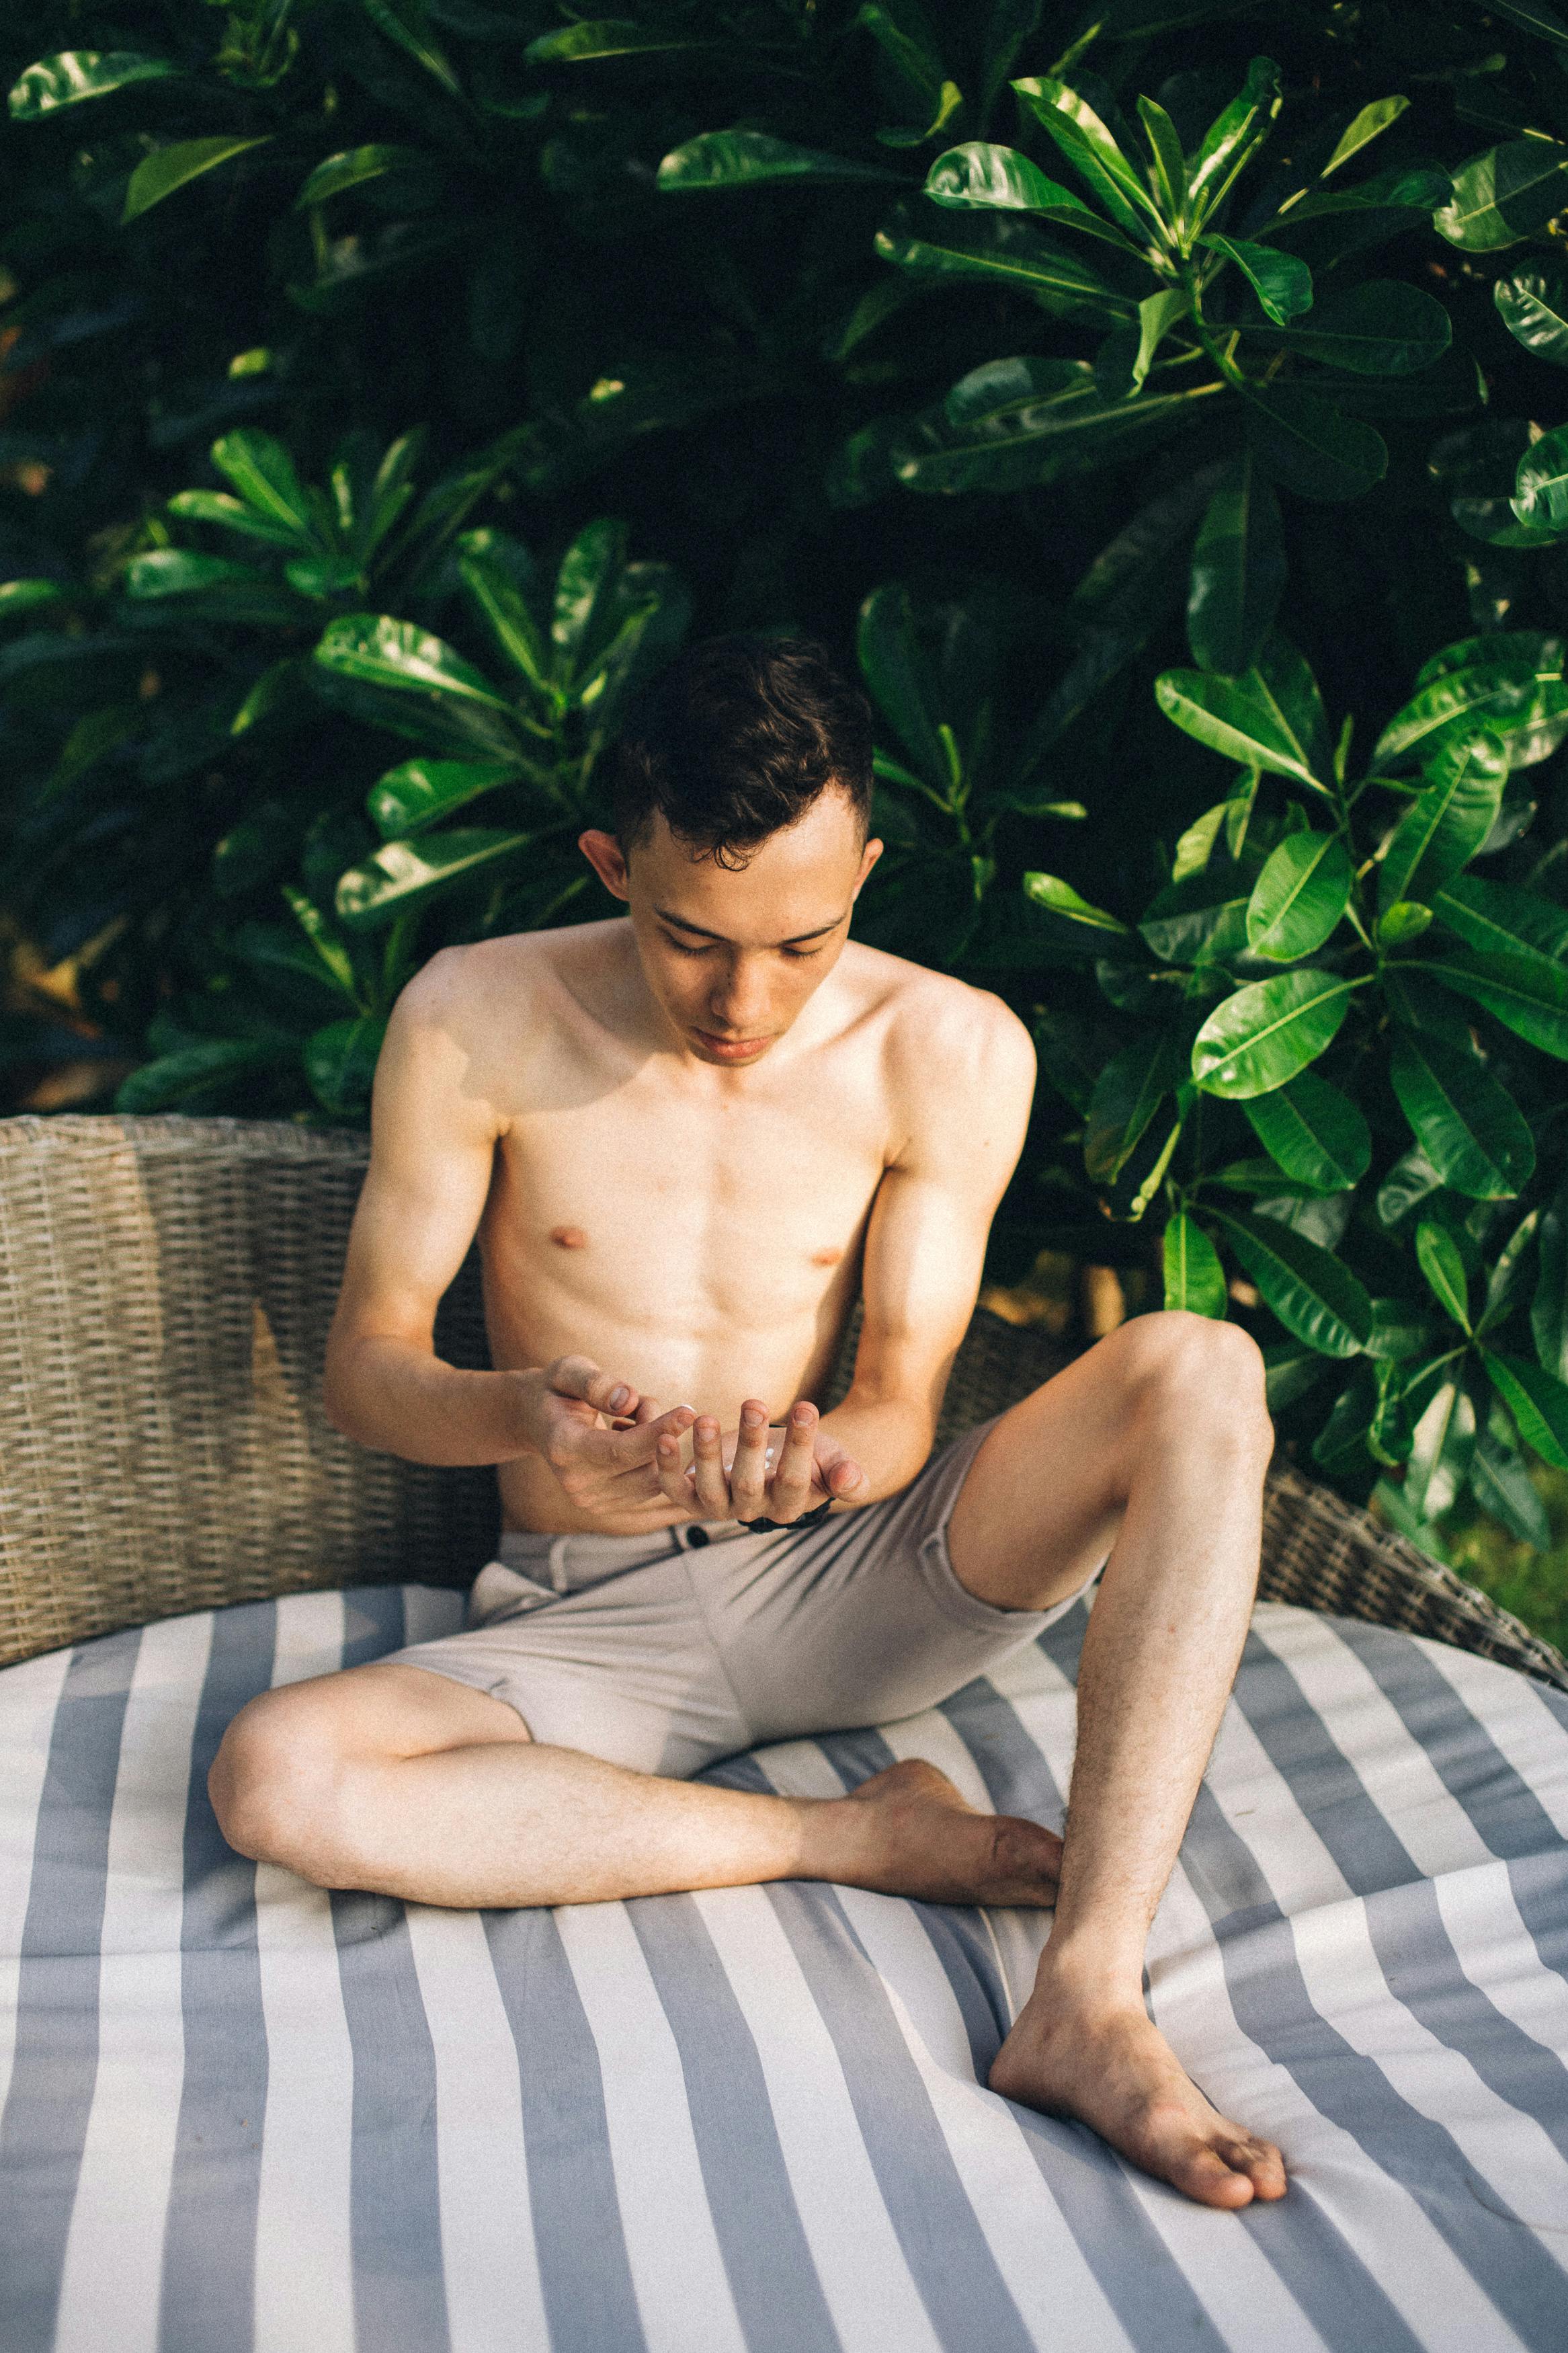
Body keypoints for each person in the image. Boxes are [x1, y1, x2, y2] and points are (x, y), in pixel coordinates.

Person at [209, 633, 1285, 2211]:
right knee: (277, 1782)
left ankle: (1090, 1995)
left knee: (1201, 1367)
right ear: (608, 861)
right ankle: (855, 1839)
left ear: (865, 861)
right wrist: (523, 1414)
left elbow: (905, 1394)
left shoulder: (954, 1045)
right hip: (588, 1619)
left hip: (854, 1573)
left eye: (805, 940)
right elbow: (365, 1369)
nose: (742, 999)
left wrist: (835, 1453)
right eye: (689, 935)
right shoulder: (472, 1016)